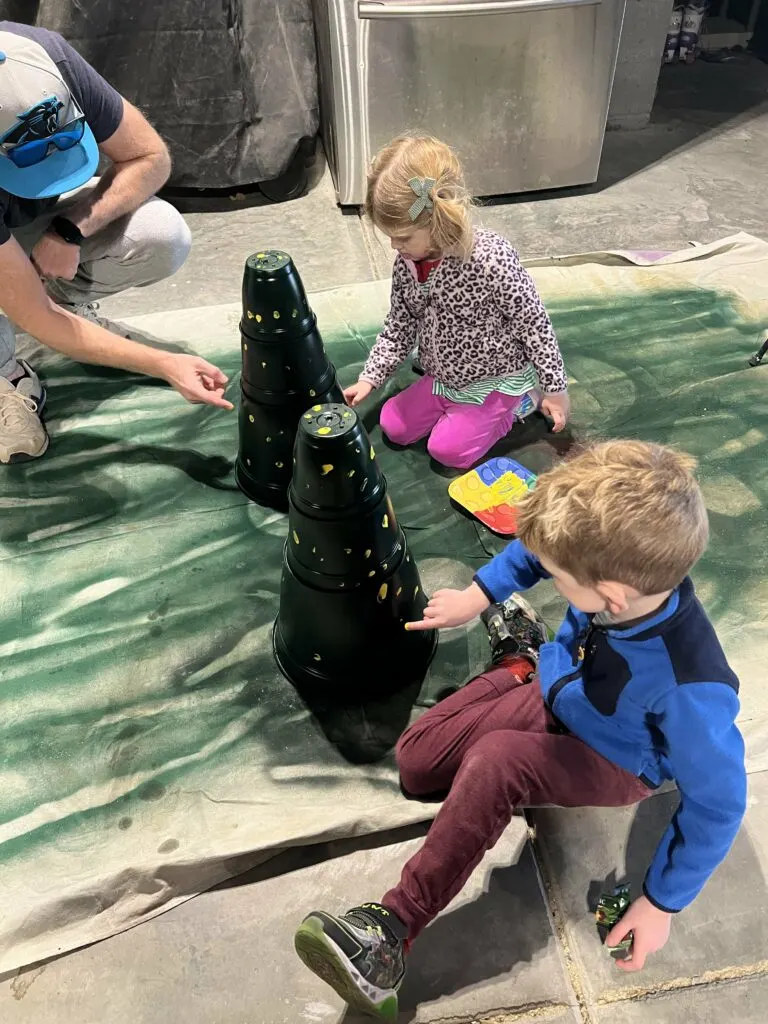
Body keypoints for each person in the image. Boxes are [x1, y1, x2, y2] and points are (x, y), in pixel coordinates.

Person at [294, 440, 747, 1020]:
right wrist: (479, 594)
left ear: (609, 595)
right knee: (416, 761)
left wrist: (662, 903)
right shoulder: (607, 578)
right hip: (561, 689)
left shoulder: (691, 686)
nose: (546, 575)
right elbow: (542, 551)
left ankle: (391, 931)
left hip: (618, 757)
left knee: (499, 758)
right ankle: (520, 662)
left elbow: (720, 802)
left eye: (558, 578)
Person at [0, 23, 232, 464]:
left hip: (18, 218)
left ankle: (71, 308)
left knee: (160, 233)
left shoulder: (45, 55)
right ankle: (4, 374)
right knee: (22, 308)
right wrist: (164, 365)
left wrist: (69, 229)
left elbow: (150, 157)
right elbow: (35, 316)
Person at [343, 135, 569, 470]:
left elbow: (534, 324)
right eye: (389, 235)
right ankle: (451, 405)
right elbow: (399, 326)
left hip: (494, 379)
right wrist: (370, 378)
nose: (393, 245)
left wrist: (554, 388)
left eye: (402, 237)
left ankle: (517, 403)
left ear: (435, 219)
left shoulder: (490, 259)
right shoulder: (406, 262)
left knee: (447, 451)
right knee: (393, 424)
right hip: (442, 377)